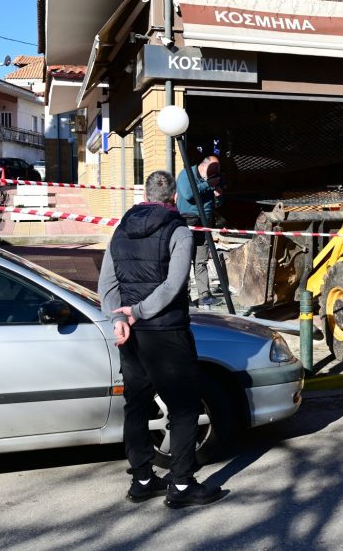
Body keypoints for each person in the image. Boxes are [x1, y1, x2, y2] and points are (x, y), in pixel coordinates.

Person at [98, 169, 227, 508]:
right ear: (173, 198)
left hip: (132, 336)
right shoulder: (178, 230)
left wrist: (119, 317)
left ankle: (142, 480)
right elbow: (173, 286)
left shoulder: (121, 228)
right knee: (184, 408)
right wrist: (137, 312)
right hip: (166, 332)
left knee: (136, 405)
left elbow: (106, 285)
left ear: (144, 194)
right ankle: (181, 486)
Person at [175, 155, 224, 307]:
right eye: (212, 170)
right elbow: (189, 194)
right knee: (185, 260)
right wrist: (207, 185)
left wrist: (218, 195)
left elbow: (216, 203)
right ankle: (185, 296)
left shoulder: (210, 179)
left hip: (205, 223)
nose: (213, 173)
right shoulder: (186, 174)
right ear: (203, 165)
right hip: (187, 221)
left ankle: (205, 295)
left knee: (201, 261)